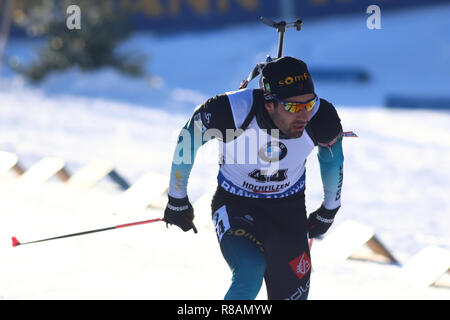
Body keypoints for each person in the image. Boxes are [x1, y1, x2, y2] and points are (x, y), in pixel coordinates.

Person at [164, 56, 346, 300]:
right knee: (250, 270)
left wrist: (330, 208)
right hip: (235, 204)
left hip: (288, 211)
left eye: (309, 103)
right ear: (269, 103)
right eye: (293, 107)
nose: (304, 114)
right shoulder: (231, 112)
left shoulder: (321, 118)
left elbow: (332, 159)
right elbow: (187, 138)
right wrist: (177, 198)